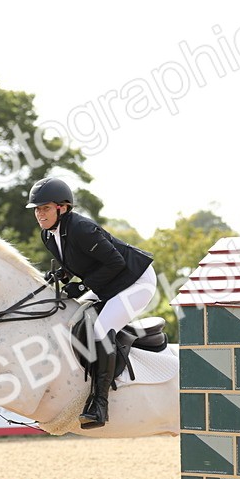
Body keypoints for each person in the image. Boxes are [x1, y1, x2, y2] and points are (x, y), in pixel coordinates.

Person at [27, 177, 156, 429]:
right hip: (108, 283)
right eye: (37, 209)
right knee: (68, 317)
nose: (39, 214)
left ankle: (100, 405)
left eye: (45, 208)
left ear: (62, 208)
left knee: (100, 330)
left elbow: (115, 263)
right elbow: (79, 260)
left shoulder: (82, 228)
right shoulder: (48, 235)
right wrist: (63, 274)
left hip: (135, 282)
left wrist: (84, 286)